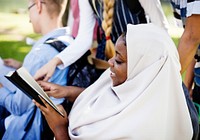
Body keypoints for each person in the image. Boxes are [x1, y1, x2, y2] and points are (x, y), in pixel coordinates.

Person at [34, 23, 193, 140]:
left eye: (118, 60)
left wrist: (59, 129)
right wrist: (67, 91)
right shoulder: (140, 90)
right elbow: (107, 96)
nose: (110, 62)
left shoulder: (141, 132)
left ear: (143, 72)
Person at [34, 0, 169, 82]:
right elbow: (84, 39)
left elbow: (161, 29)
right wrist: (53, 62)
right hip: (107, 65)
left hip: (140, 66)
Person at [0, 0, 74, 139]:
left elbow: (17, 107)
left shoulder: (39, 54)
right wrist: (23, 67)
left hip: (33, 129)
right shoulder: (69, 41)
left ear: (38, 5)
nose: (28, 18)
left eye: (29, 8)